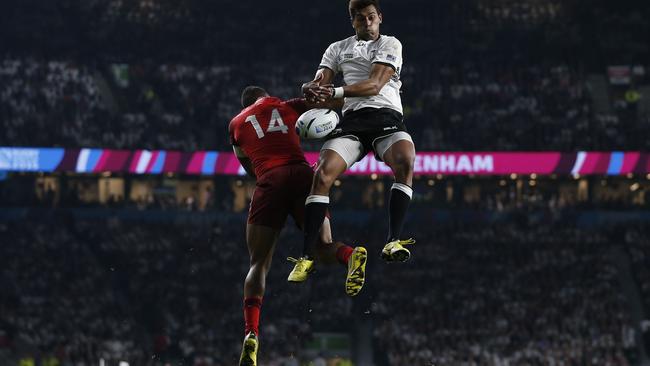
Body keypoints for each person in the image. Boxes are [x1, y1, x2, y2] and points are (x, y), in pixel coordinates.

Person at [229, 86, 368, 366]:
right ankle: (350, 255)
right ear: (266, 96)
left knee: (259, 264)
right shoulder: (287, 106)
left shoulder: (236, 124)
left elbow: (250, 170)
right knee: (323, 247)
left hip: (269, 180)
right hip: (304, 175)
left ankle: (251, 333)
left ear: (245, 104)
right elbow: (330, 100)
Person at [296, 0, 416, 280]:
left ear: (380, 18)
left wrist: (333, 93)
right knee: (322, 174)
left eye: (371, 17)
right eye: (360, 19)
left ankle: (393, 241)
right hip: (352, 123)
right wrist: (312, 89)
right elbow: (321, 81)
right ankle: (306, 256)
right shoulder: (337, 48)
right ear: (353, 21)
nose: (367, 22)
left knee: (406, 161)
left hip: (385, 118)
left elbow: (374, 84)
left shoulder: (391, 44)